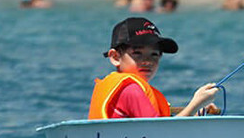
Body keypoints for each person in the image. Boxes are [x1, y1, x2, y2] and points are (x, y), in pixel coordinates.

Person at [88, 17, 219, 119]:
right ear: (115, 57)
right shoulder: (132, 91)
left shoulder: (124, 87)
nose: (147, 61)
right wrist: (195, 103)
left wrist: (197, 110)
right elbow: (160, 134)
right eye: (137, 53)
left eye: (154, 55)